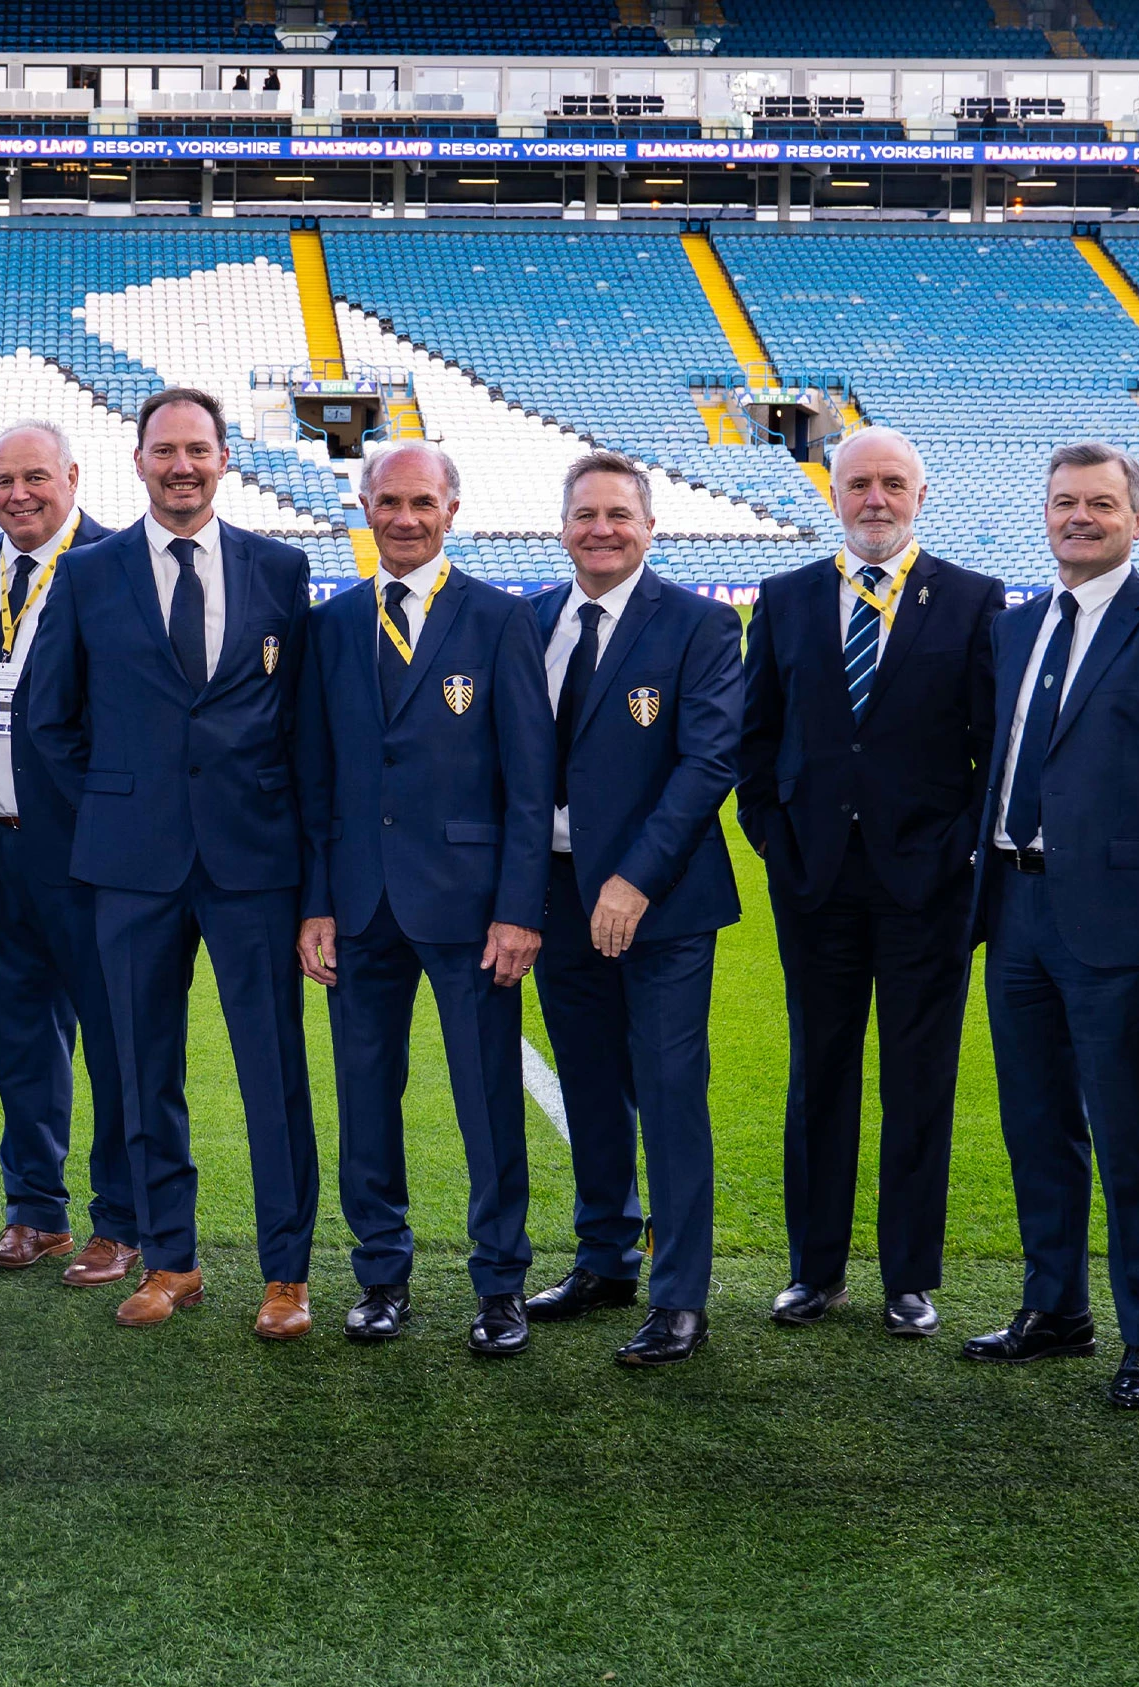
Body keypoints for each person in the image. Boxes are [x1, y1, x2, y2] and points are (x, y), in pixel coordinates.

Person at [19, 385, 321, 1340]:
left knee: (272, 1069)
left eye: (198, 449)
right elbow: (48, 719)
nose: (181, 466)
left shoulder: (281, 568)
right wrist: (117, 805)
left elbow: (299, 726)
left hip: (252, 863)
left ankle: (286, 1274)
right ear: (138, 461)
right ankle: (173, 1260)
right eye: (164, 451)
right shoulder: (90, 572)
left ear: (225, 459)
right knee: (143, 1071)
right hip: (133, 866)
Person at [962, 442, 1139, 1410]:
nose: (1081, 517)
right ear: (1045, 513)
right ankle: (1056, 1306)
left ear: (1137, 519)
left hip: (1117, 920)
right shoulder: (1016, 627)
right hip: (1013, 908)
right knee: (1036, 1121)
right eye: (1066, 502)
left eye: (1101, 504)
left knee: (1128, 1132)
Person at [735, 426, 1001, 1340]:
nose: (875, 499)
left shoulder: (972, 601)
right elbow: (755, 738)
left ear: (920, 495)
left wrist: (959, 851)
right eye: (858, 484)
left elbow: (989, 751)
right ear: (834, 495)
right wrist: (772, 834)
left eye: (893, 483)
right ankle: (814, 1270)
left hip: (925, 884)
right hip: (813, 881)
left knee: (919, 1078)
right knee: (820, 1074)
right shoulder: (784, 597)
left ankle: (909, 1276)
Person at [292, 442, 549, 1356]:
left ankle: (499, 1283)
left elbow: (529, 781)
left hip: (473, 908)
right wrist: (315, 903)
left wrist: (521, 906)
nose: (405, 518)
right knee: (366, 1096)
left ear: (453, 507)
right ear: (364, 506)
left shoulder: (500, 619)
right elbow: (314, 781)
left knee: (487, 1097)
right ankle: (381, 1273)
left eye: (422, 503)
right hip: (360, 907)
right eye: (388, 501)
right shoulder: (330, 626)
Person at [522, 451, 745, 1368]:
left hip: (662, 903)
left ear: (650, 526)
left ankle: (679, 1294)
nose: (601, 529)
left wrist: (635, 879)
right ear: (562, 525)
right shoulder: (530, 618)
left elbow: (707, 765)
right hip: (557, 897)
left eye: (620, 514)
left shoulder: (700, 624)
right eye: (585, 514)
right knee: (588, 1083)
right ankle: (606, 1255)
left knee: (667, 1091)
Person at [0, 420, 131, 1280]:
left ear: (73, 477)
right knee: (21, 1035)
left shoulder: (113, 565)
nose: (19, 493)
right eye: (3, 479)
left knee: (115, 1039)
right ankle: (33, 1212)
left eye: (35, 477)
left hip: (84, 850)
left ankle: (121, 1220)